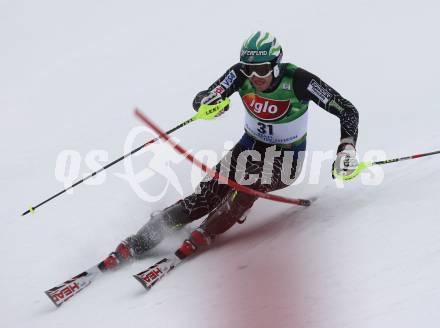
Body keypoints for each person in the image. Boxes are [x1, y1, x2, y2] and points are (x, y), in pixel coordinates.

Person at [98, 31, 359, 271]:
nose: (255, 76)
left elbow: (347, 110)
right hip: (248, 147)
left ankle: (205, 232)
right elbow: (207, 95)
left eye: (262, 69)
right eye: (249, 69)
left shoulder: (299, 80)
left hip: (287, 158)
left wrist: (346, 149)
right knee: (202, 198)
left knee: (245, 188)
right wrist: (209, 103)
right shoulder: (240, 75)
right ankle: (138, 241)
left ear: (276, 64)